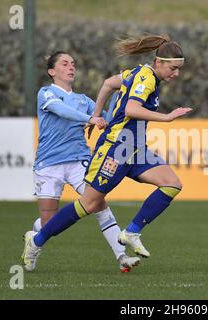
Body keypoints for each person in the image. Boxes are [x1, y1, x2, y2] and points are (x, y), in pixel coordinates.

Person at [21, 34, 192, 271]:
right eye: (173, 68)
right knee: (90, 204)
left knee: (172, 184)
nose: (176, 74)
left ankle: (131, 232)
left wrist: (97, 114)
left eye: (179, 69)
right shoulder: (146, 78)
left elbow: (109, 83)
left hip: (135, 148)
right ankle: (36, 240)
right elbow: (132, 108)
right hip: (116, 148)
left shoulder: (137, 73)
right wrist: (167, 117)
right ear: (159, 63)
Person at [23, 51, 140, 272]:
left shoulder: (84, 100)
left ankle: (122, 257)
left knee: (98, 203)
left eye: (73, 64)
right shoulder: (46, 93)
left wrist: (124, 100)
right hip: (48, 165)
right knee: (49, 224)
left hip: (79, 161)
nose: (71, 67)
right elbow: (61, 110)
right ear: (52, 71)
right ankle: (35, 236)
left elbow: (106, 118)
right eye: (65, 64)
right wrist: (89, 119)